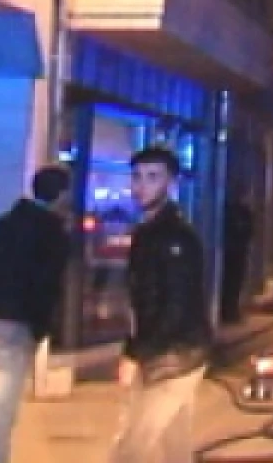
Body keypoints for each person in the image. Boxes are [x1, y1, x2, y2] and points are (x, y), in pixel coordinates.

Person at [110, 145, 213, 463]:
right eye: (137, 177)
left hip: (172, 358)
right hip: (173, 354)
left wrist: (134, 354)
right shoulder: (150, 232)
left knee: (129, 452)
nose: (141, 186)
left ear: (171, 183)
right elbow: (143, 302)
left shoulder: (174, 238)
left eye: (153, 177)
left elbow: (175, 305)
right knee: (176, 449)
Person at [0, 165, 73, 463]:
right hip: (18, 323)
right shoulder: (51, 232)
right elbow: (47, 284)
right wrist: (41, 329)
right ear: (60, 195)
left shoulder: (6, 222)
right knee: (2, 408)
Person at [220, 198, 254, 325]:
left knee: (234, 283)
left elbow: (250, 229)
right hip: (233, 252)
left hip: (237, 251)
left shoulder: (242, 212)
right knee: (231, 283)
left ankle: (231, 310)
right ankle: (229, 311)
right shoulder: (237, 212)